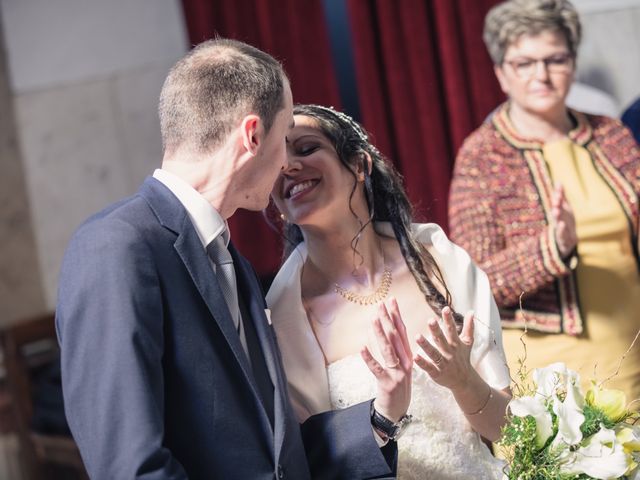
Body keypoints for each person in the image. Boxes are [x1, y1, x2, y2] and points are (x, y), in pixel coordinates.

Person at [56, 39, 411, 479]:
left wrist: (379, 418)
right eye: (283, 140)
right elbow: (130, 467)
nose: (285, 164)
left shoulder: (230, 261)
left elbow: (272, 452)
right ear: (253, 136)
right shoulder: (116, 246)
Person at [266, 104, 512, 479]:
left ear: (360, 165)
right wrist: (383, 412)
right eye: (277, 158)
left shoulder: (441, 261)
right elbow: (309, 463)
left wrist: (464, 382)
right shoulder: (284, 314)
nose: (288, 166)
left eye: (306, 148)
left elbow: (506, 428)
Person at [449, 0, 640, 401]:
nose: (542, 75)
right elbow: (474, 280)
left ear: (572, 63)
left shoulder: (612, 135)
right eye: (525, 63)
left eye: (555, 59)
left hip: (632, 351)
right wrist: (552, 247)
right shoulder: (482, 156)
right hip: (552, 373)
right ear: (502, 73)